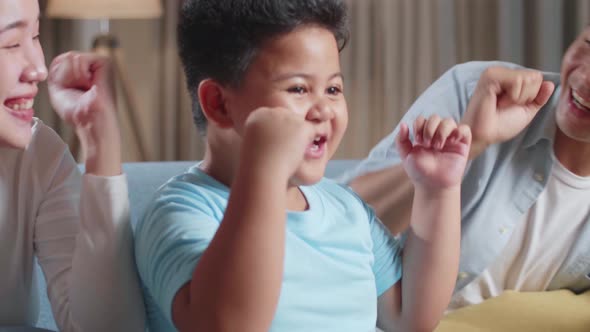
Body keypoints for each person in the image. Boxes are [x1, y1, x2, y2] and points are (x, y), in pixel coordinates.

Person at [134, 0, 472, 331]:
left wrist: (437, 190)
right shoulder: (181, 211)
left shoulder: (346, 209)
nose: (323, 109)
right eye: (298, 88)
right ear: (219, 104)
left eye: (333, 89)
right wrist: (265, 167)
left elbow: (410, 317)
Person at [344, 26, 590, 311]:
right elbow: (339, 230)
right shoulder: (479, 91)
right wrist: (471, 143)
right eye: (588, 44)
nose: (585, 78)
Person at [0, 0, 145, 330]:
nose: (39, 68)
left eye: (35, 36)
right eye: (10, 43)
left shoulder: (38, 155)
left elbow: (105, 327)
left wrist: (100, 141)